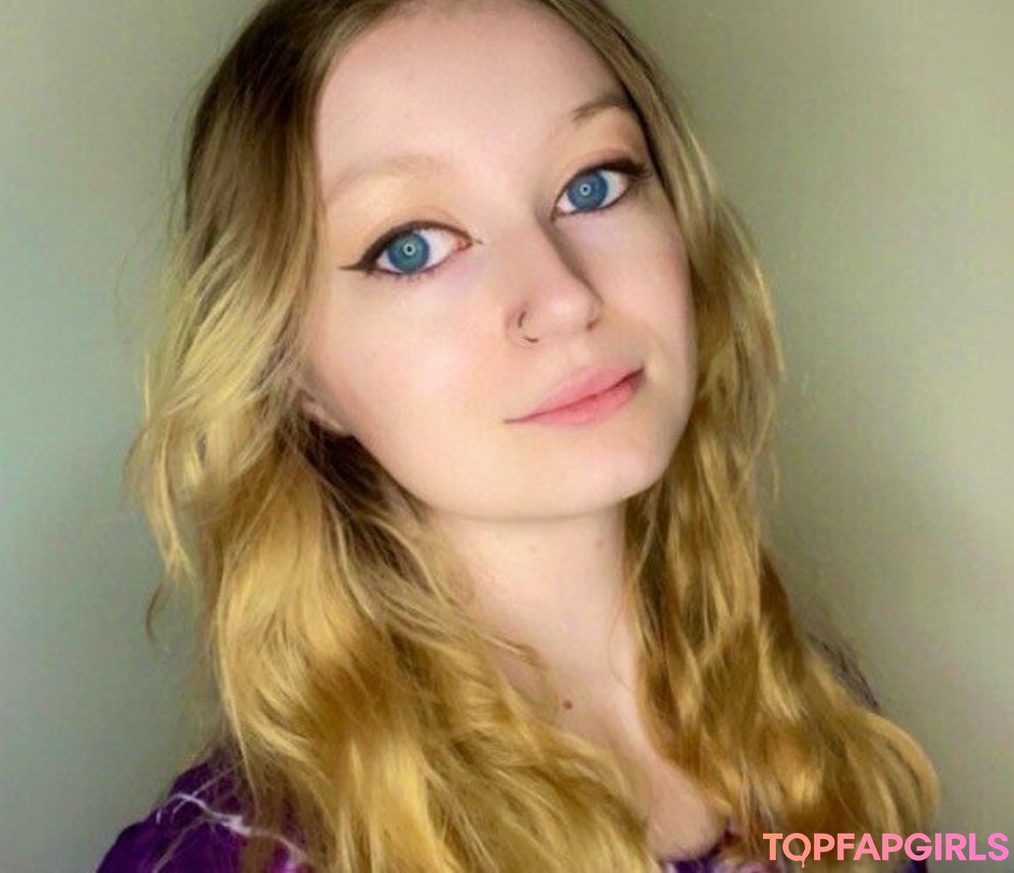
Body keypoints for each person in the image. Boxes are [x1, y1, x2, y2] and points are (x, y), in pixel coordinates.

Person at [98, 0, 939, 870]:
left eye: (593, 184)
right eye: (413, 246)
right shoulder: (234, 854)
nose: (566, 296)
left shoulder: (807, 712)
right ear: (294, 374)